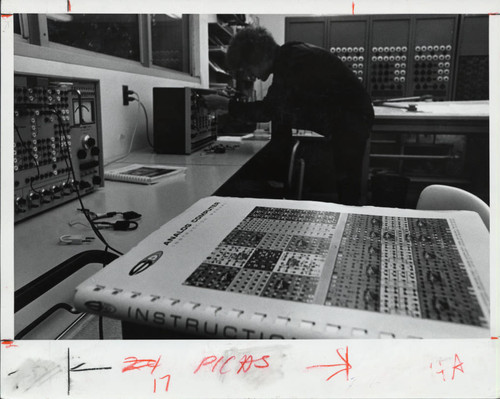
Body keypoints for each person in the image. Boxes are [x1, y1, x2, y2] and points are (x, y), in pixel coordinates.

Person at [212, 26, 374, 205]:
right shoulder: (288, 57)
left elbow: (269, 110)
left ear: (258, 56)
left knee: (348, 186)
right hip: (348, 117)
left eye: (247, 68)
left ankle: (352, 221)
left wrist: (227, 105)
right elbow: (280, 112)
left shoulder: (293, 60)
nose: (250, 75)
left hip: (353, 118)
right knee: (345, 182)